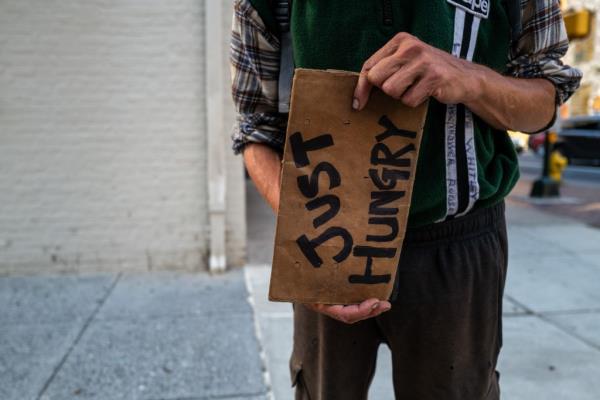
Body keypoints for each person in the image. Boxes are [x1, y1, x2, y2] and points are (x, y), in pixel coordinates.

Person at [230, 1, 582, 399]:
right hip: (326, 236)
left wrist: (471, 79)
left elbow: (546, 99)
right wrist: (308, 237)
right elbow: (256, 129)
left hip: (456, 247)